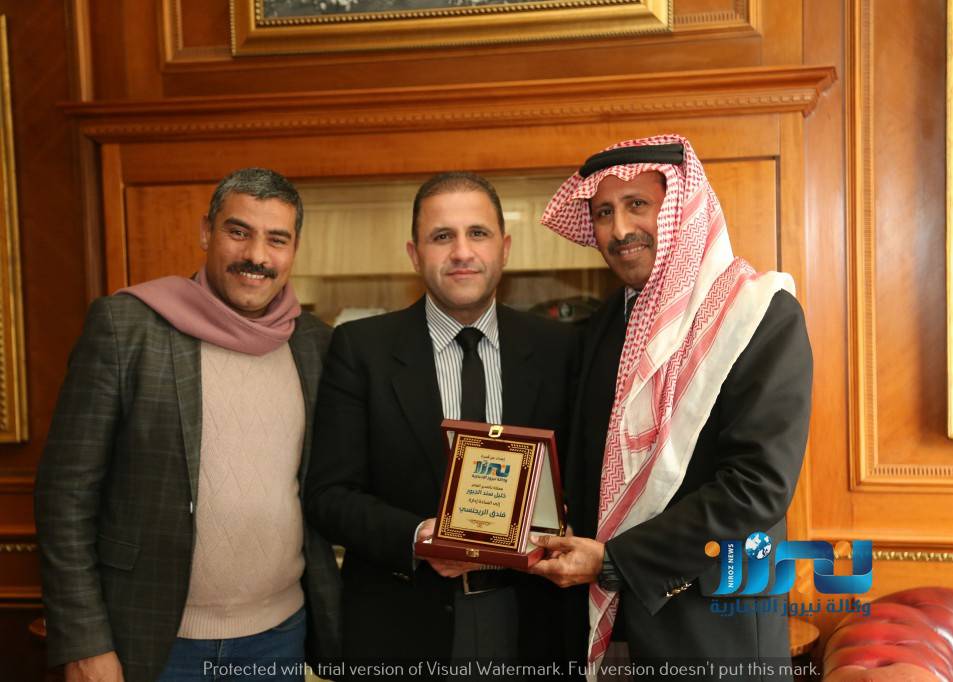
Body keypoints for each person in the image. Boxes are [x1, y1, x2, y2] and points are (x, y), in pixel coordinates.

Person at [35, 168, 342, 682]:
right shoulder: (127, 326)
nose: (257, 256)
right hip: (153, 641)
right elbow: (65, 496)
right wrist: (85, 642)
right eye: (238, 231)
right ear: (206, 232)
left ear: (294, 249)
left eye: (277, 239)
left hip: (279, 636)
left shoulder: (315, 343)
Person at [529, 135, 813, 677]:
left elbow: (757, 488)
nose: (619, 230)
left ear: (684, 209)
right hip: (608, 619)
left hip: (711, 630)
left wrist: (616, 561)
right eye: (604, 212)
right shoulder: (606, 325)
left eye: (638, 204)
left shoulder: (758, 314)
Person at [304, 172, 575, 675]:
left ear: (504, 248)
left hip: (529, 619)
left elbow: (583, 477)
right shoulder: (362, 350)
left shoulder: (560, 348)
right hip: (403, 624)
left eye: (478, 233)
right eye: (442, 236)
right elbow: (328, 495)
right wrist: (419, 537)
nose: (461, 252)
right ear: (414, 254)